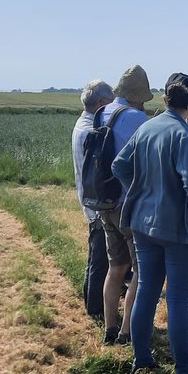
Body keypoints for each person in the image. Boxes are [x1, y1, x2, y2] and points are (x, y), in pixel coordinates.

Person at [112, 73, 188, 374]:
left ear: (166, 98)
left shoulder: (146, 127)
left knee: (146, 290)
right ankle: (184, 370)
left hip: (143, 223)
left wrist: (140, 189)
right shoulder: (187, 136)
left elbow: (119, 165)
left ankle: (142, 359)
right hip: (179, 227)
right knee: (178, 299)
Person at [97, 65, 153, 345]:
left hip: (104, 200)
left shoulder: (101, 112)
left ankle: (109, 328)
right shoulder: (137, 118)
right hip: (128, 204)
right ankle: (126, 332)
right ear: (139, 96)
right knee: (140, 272)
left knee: (115, 267)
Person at [71, 78, 114, 324]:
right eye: (110, 103)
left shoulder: (82, 124)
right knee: (100, 258)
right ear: (101, 102)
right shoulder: (91, 130)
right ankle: (96, 308)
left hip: (88, 198)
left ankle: (91, 299)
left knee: (95, 254)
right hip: (96, 202)